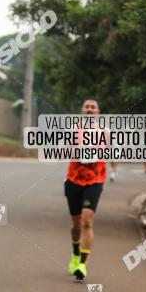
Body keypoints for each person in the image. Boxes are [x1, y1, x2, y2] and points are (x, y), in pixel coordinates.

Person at [64, 99, 105, 281]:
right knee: (76, 223)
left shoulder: (105, 132)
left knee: (87, 221)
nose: (89, 109)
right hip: (73, 180)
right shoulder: (73, 130)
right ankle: (75, 253)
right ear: (82, 110)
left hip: (95, 181)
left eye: (93, 107)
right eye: (86, 107)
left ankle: (82, 263)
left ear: (98, 112)